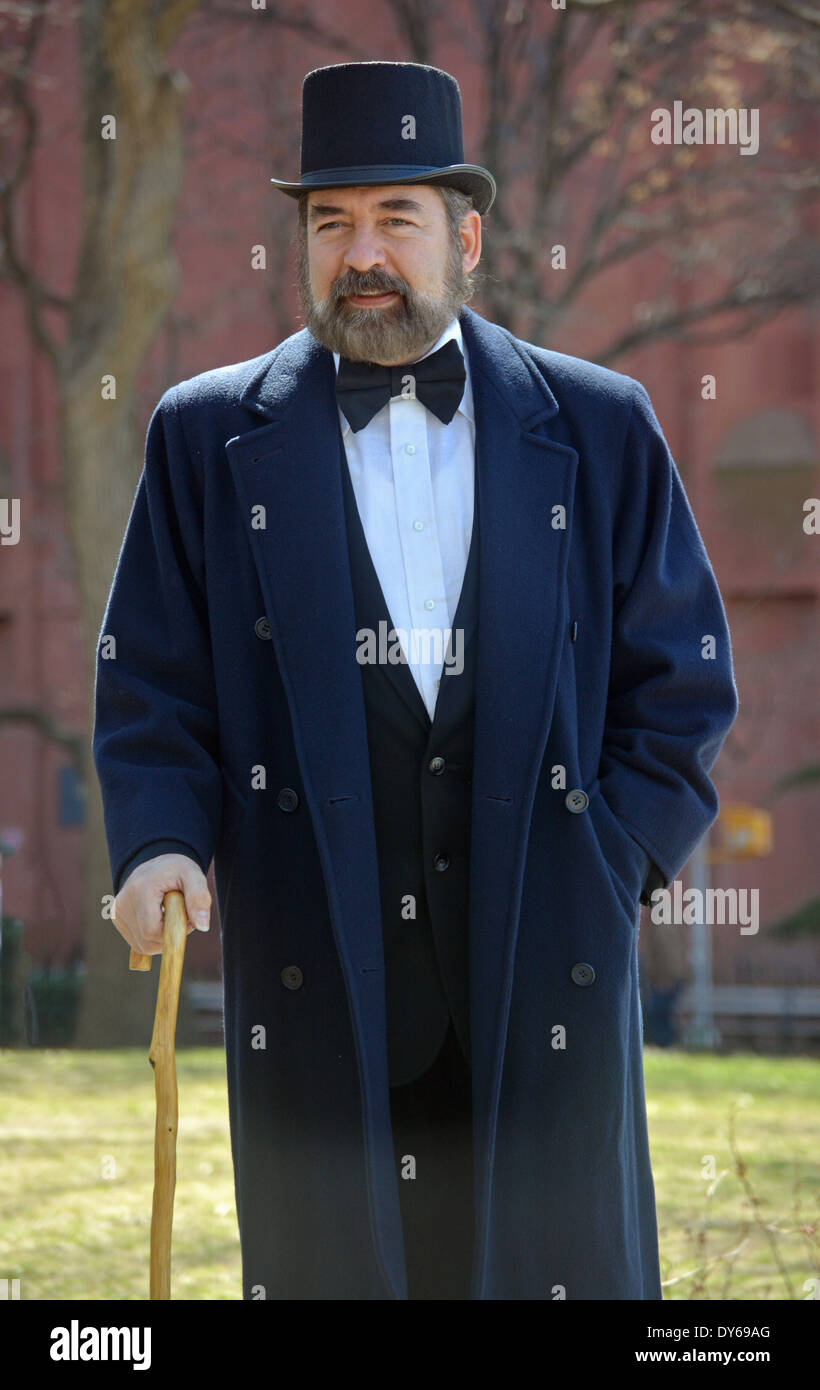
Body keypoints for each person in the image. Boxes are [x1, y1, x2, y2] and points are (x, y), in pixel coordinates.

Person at [94, 60, 739, 1300]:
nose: (363, 253)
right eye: (331, 222)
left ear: (466, 234)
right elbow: (153, 683)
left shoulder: (602, 424)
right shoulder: (204, 436)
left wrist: (612, 863)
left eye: (397, 216)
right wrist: (158, 843)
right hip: (316, 956)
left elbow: (682, 683)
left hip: (545, 950)